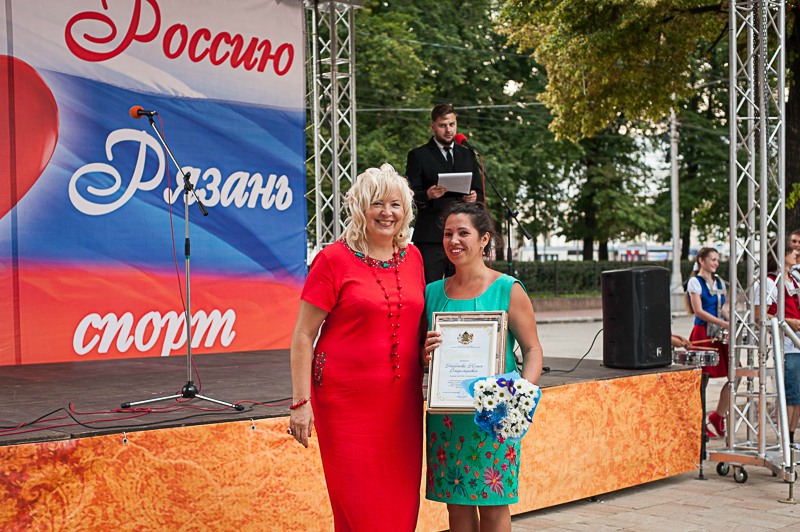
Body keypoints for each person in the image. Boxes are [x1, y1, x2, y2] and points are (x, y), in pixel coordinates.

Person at [288, 164, 426, 531]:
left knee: (399, 507)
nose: (387, 213)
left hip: (401, 406)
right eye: (377, 203)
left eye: (395, 204)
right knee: (361, 511)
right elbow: (303, 335)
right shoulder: (332, 259)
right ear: (360, 208)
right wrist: (301, 403)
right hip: (345, 403)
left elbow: (410, 327)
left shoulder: (414, 258)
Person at [422, 202, 544, 532]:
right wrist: (425, 353)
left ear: (484, 239)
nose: (454, 241)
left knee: (494, 504)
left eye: (463, 233)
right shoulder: (432, 293)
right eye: (448, 234)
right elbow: (421, 355)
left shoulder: (508, 289)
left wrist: (520, 397)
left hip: (497, 415)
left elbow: (533, 350)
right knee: (456, 505)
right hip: (449, 418)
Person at [406, 103, 484, 284]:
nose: (448, 130)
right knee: (429, 287)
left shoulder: (467, 155)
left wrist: (474, 197)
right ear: (433, 126)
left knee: (462, 285)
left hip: (462, 234)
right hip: (431, 236)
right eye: (442, 125)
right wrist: (428, 194)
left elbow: (479, 192)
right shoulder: (418, 155)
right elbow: (408, 195)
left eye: (452, 124)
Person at [754, 238, 800, 444]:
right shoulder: (769, 281)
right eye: (791, 250)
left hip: (796, 342)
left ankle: (791, 436)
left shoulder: (794, 279)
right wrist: (788, 321)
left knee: (798, 394)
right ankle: (786, 440)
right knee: (791, 392)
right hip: (787, 345)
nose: (796, 253)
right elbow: (760, 316)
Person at [686, 247, 730, 439]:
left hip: (719, 334)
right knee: (702, 379)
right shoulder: (695, 282)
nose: (716, 263)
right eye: (713, 259)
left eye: (717, 260)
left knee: (735, 375)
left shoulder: (719, 281)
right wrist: (723, 323)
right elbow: (699, 311)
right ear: (701, 260)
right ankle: (697, 422)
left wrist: (732, 321)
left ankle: (718, 415)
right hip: (703, 332)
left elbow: (722, 308)